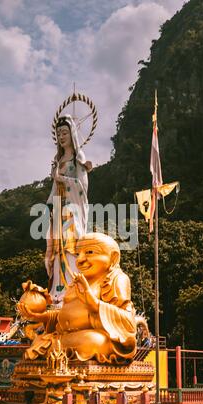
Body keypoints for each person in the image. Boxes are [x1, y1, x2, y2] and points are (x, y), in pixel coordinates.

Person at [25, 232, 137, 363]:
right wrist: (40, 316)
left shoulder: (117, 279)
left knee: (95, 341)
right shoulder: (77, 282)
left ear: (113, 257)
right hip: (69, 337)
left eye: (89, 252)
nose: (80, 260)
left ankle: (59, 352)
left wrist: (93, 302)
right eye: (78, 254)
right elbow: (66, 315)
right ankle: (58, 351)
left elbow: (128, 322)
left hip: (93, 338)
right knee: (40, 341)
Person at [45, 114, 92, 305]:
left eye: (64, 132)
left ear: (72, 133)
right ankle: (57, 292)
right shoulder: (58, 161)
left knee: (71, 248)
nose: (61, 137)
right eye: (58, 134)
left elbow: (83, 187)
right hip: (59, 210)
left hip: (73, 210)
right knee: (56, 250)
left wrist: (62, 179)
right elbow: (54, 193)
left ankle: (72, 289)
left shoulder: (78, 159)